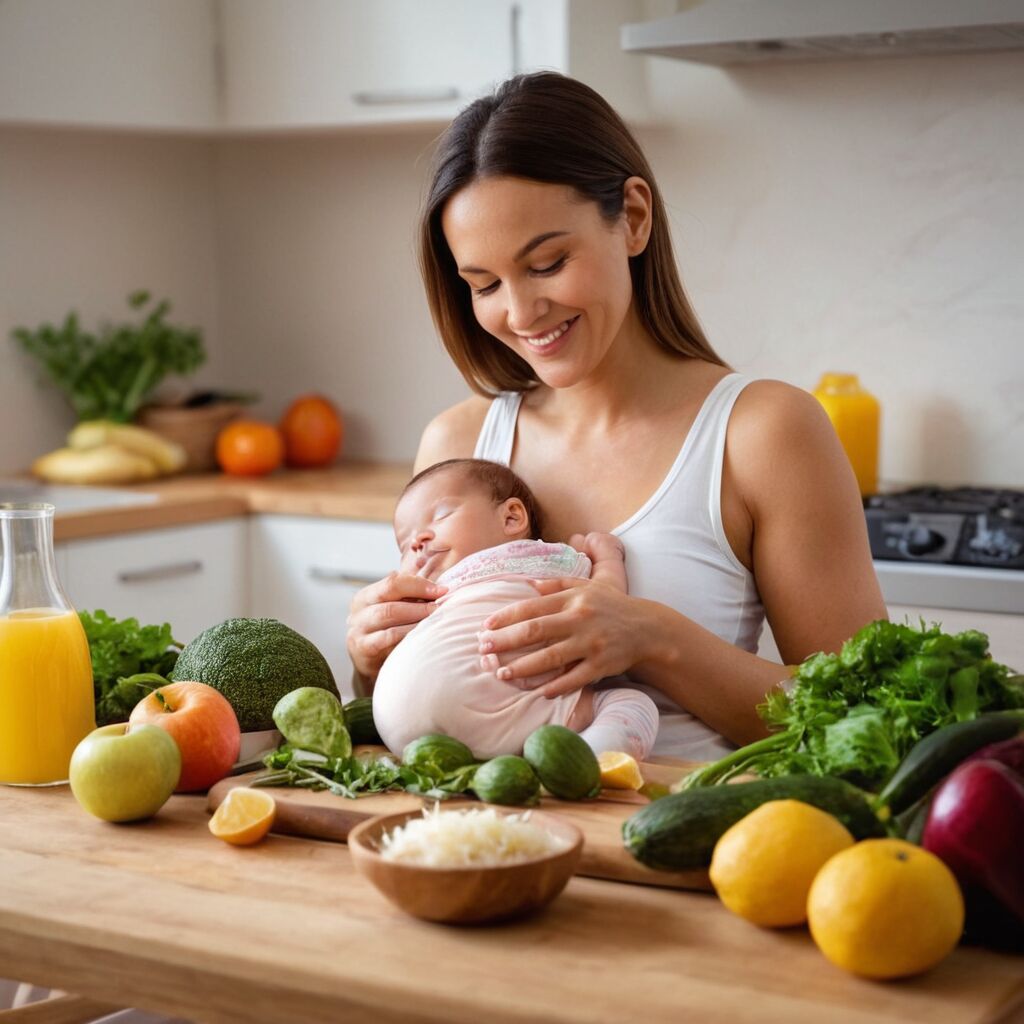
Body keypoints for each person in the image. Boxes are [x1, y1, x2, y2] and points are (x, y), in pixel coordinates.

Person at [347, 71, 886, 760]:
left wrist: (654, 639)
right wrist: (372, 660)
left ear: (632, 218)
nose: (518, 313)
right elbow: (425, 702)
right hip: (480, 846)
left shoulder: (764, 432)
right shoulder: (458, 443)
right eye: (483, 284)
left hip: (677, 852)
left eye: (546, 263)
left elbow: (863, 721)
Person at [372, 456, 660, 760]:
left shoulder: (528, 559)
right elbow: (606, 599)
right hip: (495, 710)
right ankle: (589, 763)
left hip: (400, 727)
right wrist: (607, 559)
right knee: (630, 704)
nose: (418, 541)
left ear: (511, 518)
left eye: (441, 516)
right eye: (404, 545)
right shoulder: (549, 563)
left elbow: (603, 613)